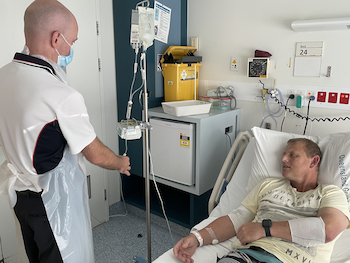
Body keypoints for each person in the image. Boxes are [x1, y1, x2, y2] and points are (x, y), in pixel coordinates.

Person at [0, 0, 130, 262]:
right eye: (73, 41)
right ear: (57, 38)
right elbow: (95, 154)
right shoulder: (61, 96)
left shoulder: (4, 77)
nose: (72, 48)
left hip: (19, 196)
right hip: (52, 203)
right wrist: (120, 162)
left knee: (33, 255)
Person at [173, 138, 350, 263]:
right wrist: (197, 238)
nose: (283, 159)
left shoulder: (331, 193)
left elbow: (327, 230)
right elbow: (236, 219)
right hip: (246, 256)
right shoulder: (268, 185)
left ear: (314, 162)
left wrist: (265, 228)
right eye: (283, 154)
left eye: (293, 155)